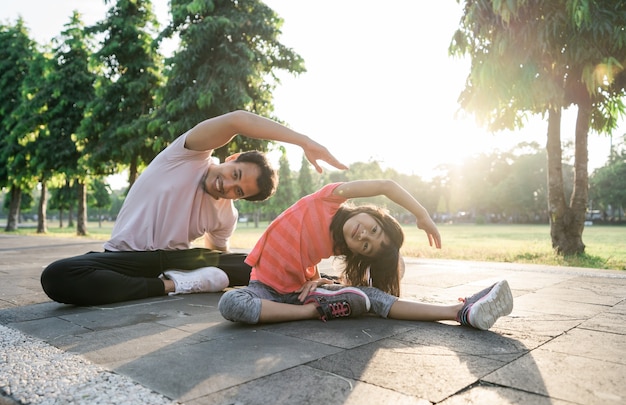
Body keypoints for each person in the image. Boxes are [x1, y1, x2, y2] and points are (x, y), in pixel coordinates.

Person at [40, 110, 347, 306]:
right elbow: (237, 120)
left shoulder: (227, 214)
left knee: (252, 264)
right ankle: (172, 287)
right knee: (58, 276)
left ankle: (318, 283)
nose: (227, 187)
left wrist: (302, 272)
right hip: (125, 258)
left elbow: (217, 259)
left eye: (238, 191)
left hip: (177, 259)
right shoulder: (186, 155)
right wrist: (303, 141)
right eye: (235, 174)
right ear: (231, 158)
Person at [218, 180, 514, 330]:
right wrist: (421, 214)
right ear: (367, 212)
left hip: (301, 292)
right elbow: (386, 186)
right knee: (232, 303)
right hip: (268, 292)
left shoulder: (341, 245)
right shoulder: (329, 199)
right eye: (372, 229)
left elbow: (302, 257)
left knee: (370, 295)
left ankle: (459, 312)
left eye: (368, 245)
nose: (364, 236)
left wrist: (319, 282)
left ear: (357, 253)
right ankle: (318, 310)